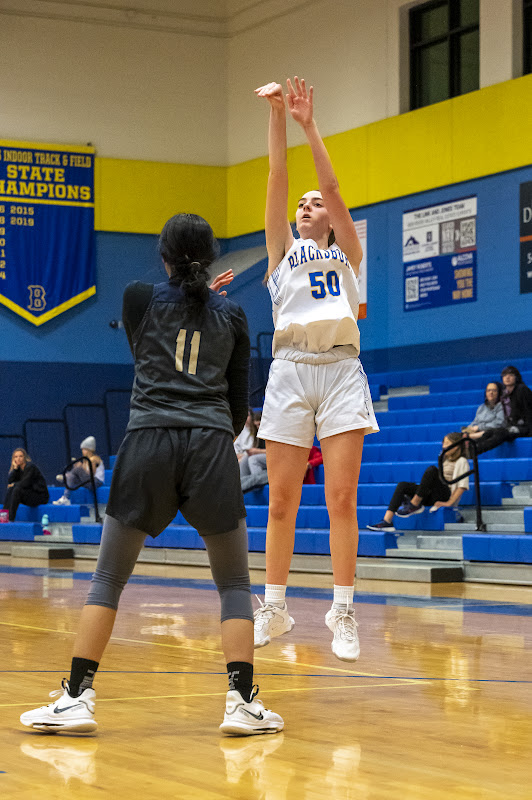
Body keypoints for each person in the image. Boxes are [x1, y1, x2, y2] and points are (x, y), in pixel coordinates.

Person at [20, 213, 283, 737]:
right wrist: (210, 301)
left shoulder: (137, 298)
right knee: (234, 583)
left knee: (108, 579)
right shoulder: (233, 316)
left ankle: (76, 697)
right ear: (212, 258)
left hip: (147, 442)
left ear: (163, 257)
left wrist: (198, 296)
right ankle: (241, 703)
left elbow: (148, 350)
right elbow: (238, 408)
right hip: (211, 445)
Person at [252, 78, 379, 662]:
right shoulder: (282, 251)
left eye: (315, 204)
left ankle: (343, 610)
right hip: (290, 370)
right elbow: (277, 180)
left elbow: (331, 185)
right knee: (281, 501)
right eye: (301, 204)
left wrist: (308, 123)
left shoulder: (348, 253)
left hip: (341, 370)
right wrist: (277, 115)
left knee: (342, 498)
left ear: (331, 218)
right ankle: (275, 607)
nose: (307, 205)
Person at [367, 433, 469, 531]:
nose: (443, 446)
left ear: (456, 446)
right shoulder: (445, 460)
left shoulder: (462, 461)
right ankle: (387, 521)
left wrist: (449, 503)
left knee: (432, 470)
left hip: (445, 494)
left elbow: (462, 486)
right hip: (434, 494)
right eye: (443, 443)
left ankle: (414, 503)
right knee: (403, 485)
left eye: (447, 443)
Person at [475, 366, 532, 454]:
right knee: (490, 432)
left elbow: (529, 411)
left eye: (511, 375)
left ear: (516, 377)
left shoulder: (522, 389)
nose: (507, 377)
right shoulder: (505, 394)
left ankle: (476, 450)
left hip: (524, 427)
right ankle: (471, 446)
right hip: (513, 426)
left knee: (500, 433)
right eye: (505, 375)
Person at [53, 436, 105, 506]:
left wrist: (80, 467)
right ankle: (66, 496)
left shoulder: (94, 459)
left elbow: (91, 473)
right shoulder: (86, 460)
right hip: (89, 481)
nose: (82, 451)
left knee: (77, 470)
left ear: (88, 450)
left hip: (96, 482)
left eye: (83, 450)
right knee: (72, 476)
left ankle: (66, 477)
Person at [3, 448, 49, 521]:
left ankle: (10, 519)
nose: (18, 459)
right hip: (28, 495)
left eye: (20, 456)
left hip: (39, 496)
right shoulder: (18, 469)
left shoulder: (30, 467)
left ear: (25, 457)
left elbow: (25, 483)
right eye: (16, 457)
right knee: (11, 489)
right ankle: (3, 517)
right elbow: (10, 481)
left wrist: (14, 484)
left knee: (16, 489)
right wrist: (15, 469)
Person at [239, 412, 268, 493]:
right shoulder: (257, 435)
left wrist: (257, 451)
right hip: (263, 457)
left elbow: (275, 452)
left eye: (259, 424)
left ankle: (258, 484)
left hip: (275, 458)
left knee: (253, 459)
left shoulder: (272, 434)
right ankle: (242, 484)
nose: (258, 427)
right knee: (245, 459)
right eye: (256, 425)